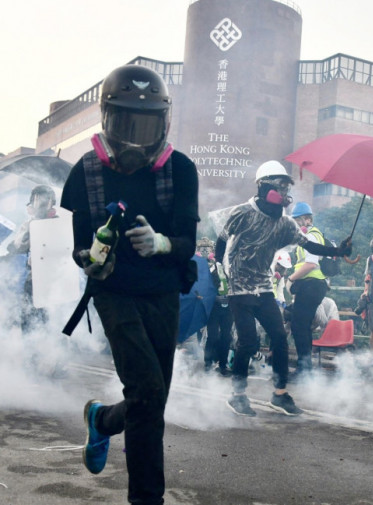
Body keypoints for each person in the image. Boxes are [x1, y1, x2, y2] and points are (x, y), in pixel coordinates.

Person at [60, 64, 199, 505]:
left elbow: (187, 245)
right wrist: (91, 262)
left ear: (165, 122)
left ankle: (102, 421)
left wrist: (161, 243)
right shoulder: (85, 172)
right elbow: (81, 247)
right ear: (106, 119)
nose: (137, 140)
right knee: (148, 391)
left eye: (147, 126)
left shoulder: (180, 170)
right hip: (114, 292)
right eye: (126, 124)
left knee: (149, 403)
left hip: (162, 293)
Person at [215, 161, 351, 417]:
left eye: (286, 186)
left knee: (278, 336)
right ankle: (238, 395)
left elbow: (311, 246)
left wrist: (338, 251)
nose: (284, 191)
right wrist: (225, 272)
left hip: (264, 288)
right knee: (248, 342)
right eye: (279, 185)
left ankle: (279, 394)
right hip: (240, 289)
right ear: (263, 187)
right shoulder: (242, 212)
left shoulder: (286, 224)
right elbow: (221, 239)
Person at [287, 201, 331, 376]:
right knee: (301, 326)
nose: (296, 225)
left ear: (306, 219)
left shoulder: (311, 236)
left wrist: (291, 278)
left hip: (311, 285)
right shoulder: (308, 236)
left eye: (297, 221)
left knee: (300, 326)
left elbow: (311, 264)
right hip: (309, 286)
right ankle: (305, 369)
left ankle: (304, 370)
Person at [7, 184, 58, 332]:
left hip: (55, 276)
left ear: (51, 202)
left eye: (44, 199)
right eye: (37, 199)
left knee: (49, 315)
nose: (41, 203)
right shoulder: (30, 223)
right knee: (29, 313)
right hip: (35, 274)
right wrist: (32, 229)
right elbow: (17, 247)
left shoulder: (59, 221)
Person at [198, 237, 232, 376]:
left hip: (229, 306)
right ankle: (208, 364)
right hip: (214, 306)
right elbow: (205, 287)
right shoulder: (211, 267)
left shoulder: (232, 268)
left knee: (226, 336)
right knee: (213, 336)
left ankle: (222, 364)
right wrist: (215, 297)